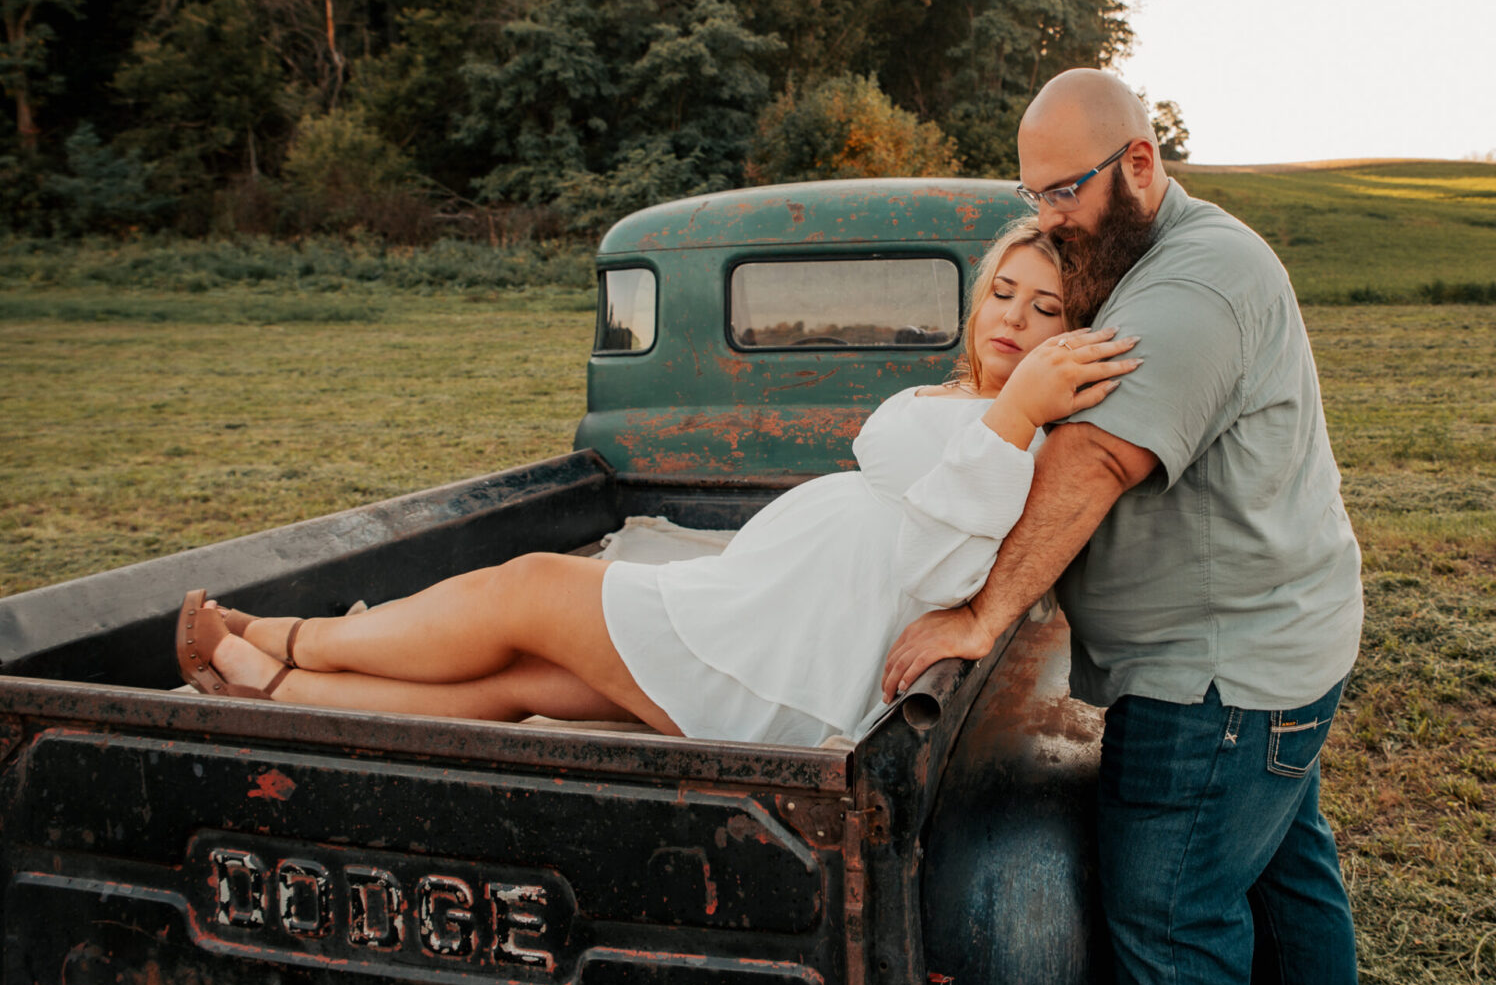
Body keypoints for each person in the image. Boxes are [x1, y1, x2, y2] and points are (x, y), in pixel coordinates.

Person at [175, 219, 1141, 749]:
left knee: (530, 588)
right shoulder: (975, 404)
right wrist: (999, 405)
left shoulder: (1025, 436)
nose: (1014, 318)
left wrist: (1020, 408)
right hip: (761, 625)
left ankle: (282, 636)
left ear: (1072, 338)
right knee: (517, 684)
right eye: (1004, 293)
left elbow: (944, 562)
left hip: (784, 657)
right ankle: (282, 685)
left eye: (1047, 308)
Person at [882, 69, 1363, 985]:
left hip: (1218, 684)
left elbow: (1092, 457)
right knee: (1282, 878)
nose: (1050, 218)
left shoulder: (1198, 283)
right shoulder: (1141, 257)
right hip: (1284, 643)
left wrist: (984, 613)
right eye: (1034, 194)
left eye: (1066, 191)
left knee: (1172, 916)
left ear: (1138, 165)